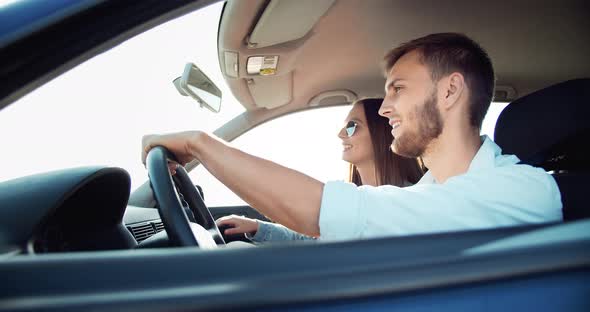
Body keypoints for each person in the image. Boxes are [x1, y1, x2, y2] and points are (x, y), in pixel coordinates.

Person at [142, 33, 562, 241]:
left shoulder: (518, 191)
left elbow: (320, 210)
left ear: (449, 91)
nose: (384, 107)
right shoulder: (431, 190)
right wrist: (263, 232)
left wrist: (200, 142)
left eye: (398, 89)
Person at [215, 98, 423, 243]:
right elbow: (316, 237)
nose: (341, 134)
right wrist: (258, 228)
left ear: (382, 133)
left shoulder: (406, 203)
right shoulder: (351, 200)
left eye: (352, 126)